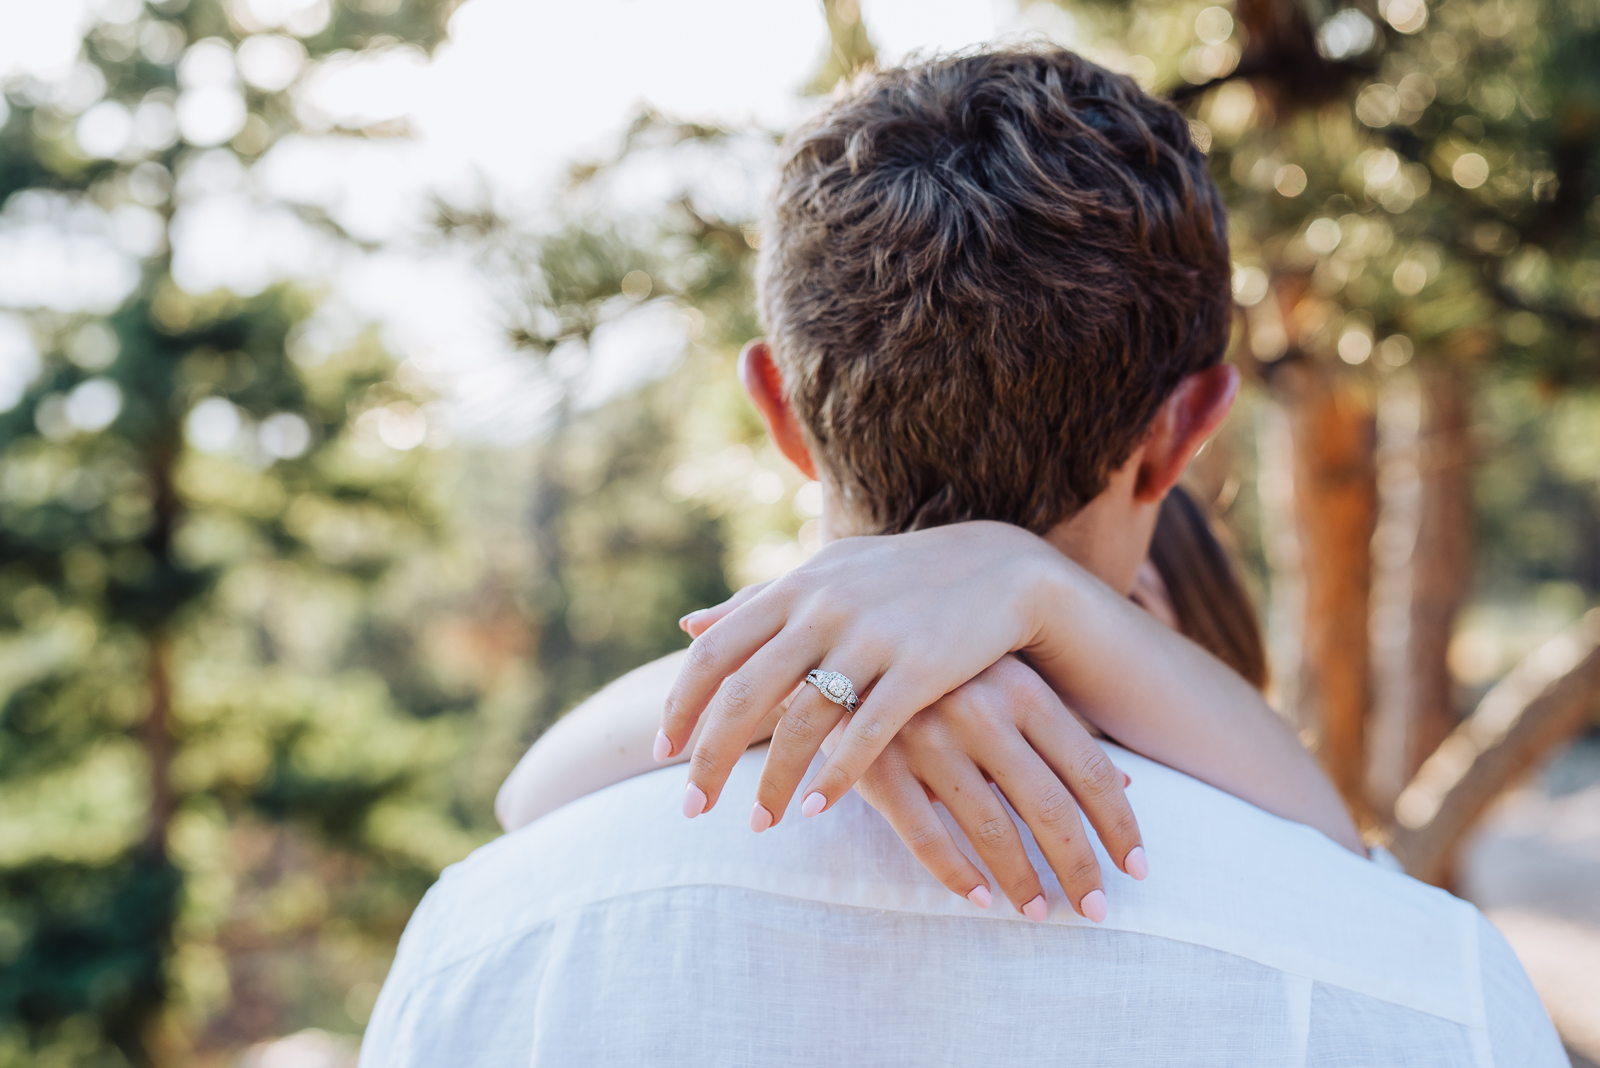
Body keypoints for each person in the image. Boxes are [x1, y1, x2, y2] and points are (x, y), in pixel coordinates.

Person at [360, 47, 1563, 1066]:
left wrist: (861, 664)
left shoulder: (480, 943)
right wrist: (1035, 599)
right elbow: (1330, 851)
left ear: (776, 411)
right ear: (1188, 428)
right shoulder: (1428, 992)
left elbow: (530, 795)